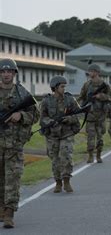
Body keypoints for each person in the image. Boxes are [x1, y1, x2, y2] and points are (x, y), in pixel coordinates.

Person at [0, 58, 39, 228]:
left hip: (15, 145)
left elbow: (35, 115)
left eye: (9, 71)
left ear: (14, 74)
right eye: (3, 71)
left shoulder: (22, 93)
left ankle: (9, 213)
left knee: (13, 179)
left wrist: (21, 116)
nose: (6, 74)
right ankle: (2, 209)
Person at [40, 76, 81, 194]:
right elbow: (42, 118)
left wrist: (69, 119)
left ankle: (67, 181)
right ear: (55, 87)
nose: (64, 88)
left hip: (67, 133)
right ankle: (58, 182)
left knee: (66, 156)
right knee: (55, 159)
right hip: (52, 135)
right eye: (62, 86)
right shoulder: (46, 101)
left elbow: (79, 113)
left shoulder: (70, 99)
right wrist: (50, 122)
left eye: (64, 86)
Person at [78, 64, 111, 164]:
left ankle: (98, 155)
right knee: (90, 137)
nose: (90, 73)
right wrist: (79, 106)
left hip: (101, 115)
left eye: (92, 71)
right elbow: (81, 97)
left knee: (100, 137)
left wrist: (100, 96)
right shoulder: (86, 85)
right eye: (89, 71)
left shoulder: (104, 85)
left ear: (97, 72)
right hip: (90, 116)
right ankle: (90, 156)